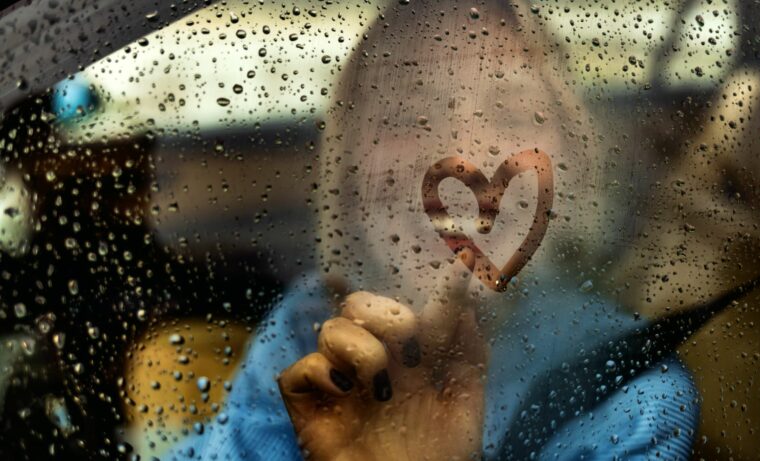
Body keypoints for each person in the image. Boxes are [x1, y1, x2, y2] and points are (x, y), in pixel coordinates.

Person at [168, 1, 699, 460]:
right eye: (406, 114)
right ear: (349, 174)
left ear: (573, 168)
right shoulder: (304, 328)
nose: (460, 152)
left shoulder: (629, 393)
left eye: (510, 111)